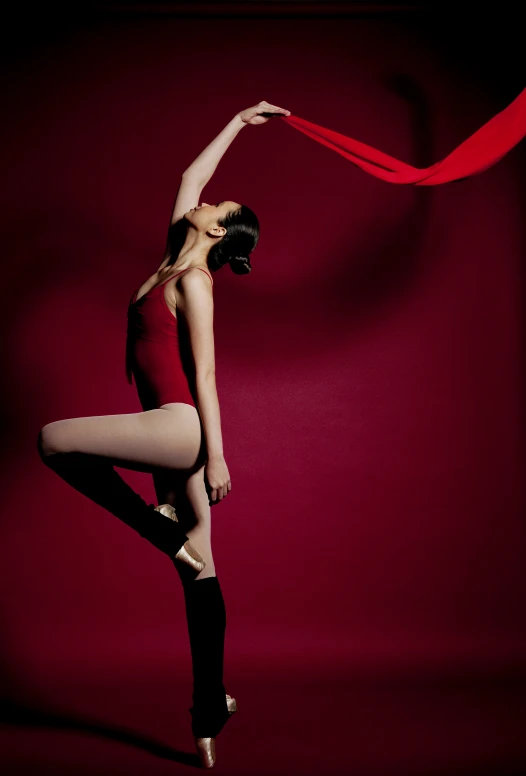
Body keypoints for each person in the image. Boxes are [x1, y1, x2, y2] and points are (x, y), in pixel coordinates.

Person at [36, 99, 291, 769]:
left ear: (218, 229)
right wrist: (238, 122)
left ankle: (162, 535)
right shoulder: (172, 256)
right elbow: (187, 176)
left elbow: (205, 375)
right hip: (164, 432)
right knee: (201, 572)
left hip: (180, 431)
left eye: (216, 204)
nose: (203, 202)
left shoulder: (197, 282)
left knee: (52, 439)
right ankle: (210, 714)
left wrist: (217, 457)